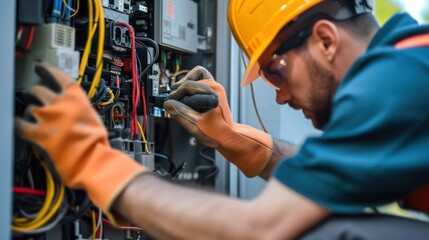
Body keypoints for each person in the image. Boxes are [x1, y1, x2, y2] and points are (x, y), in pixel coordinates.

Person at [15, 0, 429, 238]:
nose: (280, 95)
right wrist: (235, 140)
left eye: (276, 70)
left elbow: (262, 229)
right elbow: (340, 174)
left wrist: (97, 166)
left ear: (325, 39)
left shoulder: (398, 79)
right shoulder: (409, 63)